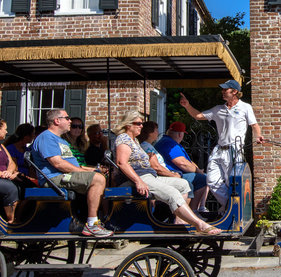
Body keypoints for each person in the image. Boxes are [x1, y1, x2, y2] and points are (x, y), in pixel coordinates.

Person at [112, 110, 221, 235]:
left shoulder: (134, 140)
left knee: (183, 185)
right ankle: (199, 224)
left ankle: (180, 221)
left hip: (149, 176)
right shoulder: (123, 139)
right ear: (128, 125)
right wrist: (138, 181)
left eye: (141, 124)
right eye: (138, 123)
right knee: (172, 192)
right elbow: (122, 163)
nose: (141, 126)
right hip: (137, 178)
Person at [179, 79, 263, 209]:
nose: (222, 91)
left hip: (234, 150)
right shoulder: (218, 109)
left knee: (232, 183)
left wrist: (258, 136)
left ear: (234, 91)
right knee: (211, 180)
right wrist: (187, 106)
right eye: (223, 89)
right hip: (218, 149)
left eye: (225, 89)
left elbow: (254, 125)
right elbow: (198, 116)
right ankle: (231, 206)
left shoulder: (245, 107)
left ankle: (231, 211)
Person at [30, 109, 111, 237]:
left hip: (65, 175)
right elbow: (58, 163)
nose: (70, 121)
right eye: (67, 118)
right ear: (57, 121)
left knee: (101, 176)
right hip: (53, 178)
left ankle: (92, 218)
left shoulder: (61, 140)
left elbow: (74, 165)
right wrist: (89, 173)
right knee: (98, 180)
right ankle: (91, 224)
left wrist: (93, 170)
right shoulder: (46, 137)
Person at [154, 121, 210, 213]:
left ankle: (200, 208)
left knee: (203, 177)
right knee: (202, 179)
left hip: (174, 174)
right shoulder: (169, 144)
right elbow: (182, 163)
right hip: (171, 175)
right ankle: (194, 212)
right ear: (181, 134)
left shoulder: (169, 142)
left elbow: (188, 161)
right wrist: (199, 172)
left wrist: (198, 170)